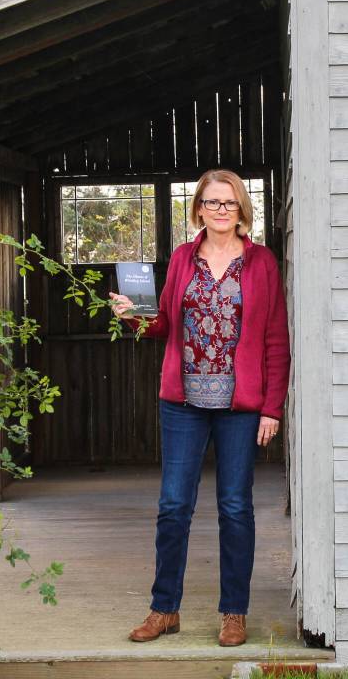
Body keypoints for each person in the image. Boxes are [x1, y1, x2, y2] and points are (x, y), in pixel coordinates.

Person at [109, 168, 291, 648]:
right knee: (173, 507)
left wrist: (272, 408)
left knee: (235, 509)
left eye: (229, 203)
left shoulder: (261, 262)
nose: (221, 211)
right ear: (199, 209)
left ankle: (234, 613)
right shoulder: (183, 259)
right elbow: (164, 321)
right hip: (184, 403)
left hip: (241, 407)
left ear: (241, 209)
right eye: (212, 202)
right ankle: (164, 609)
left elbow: (275, 338)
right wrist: (133, 316)